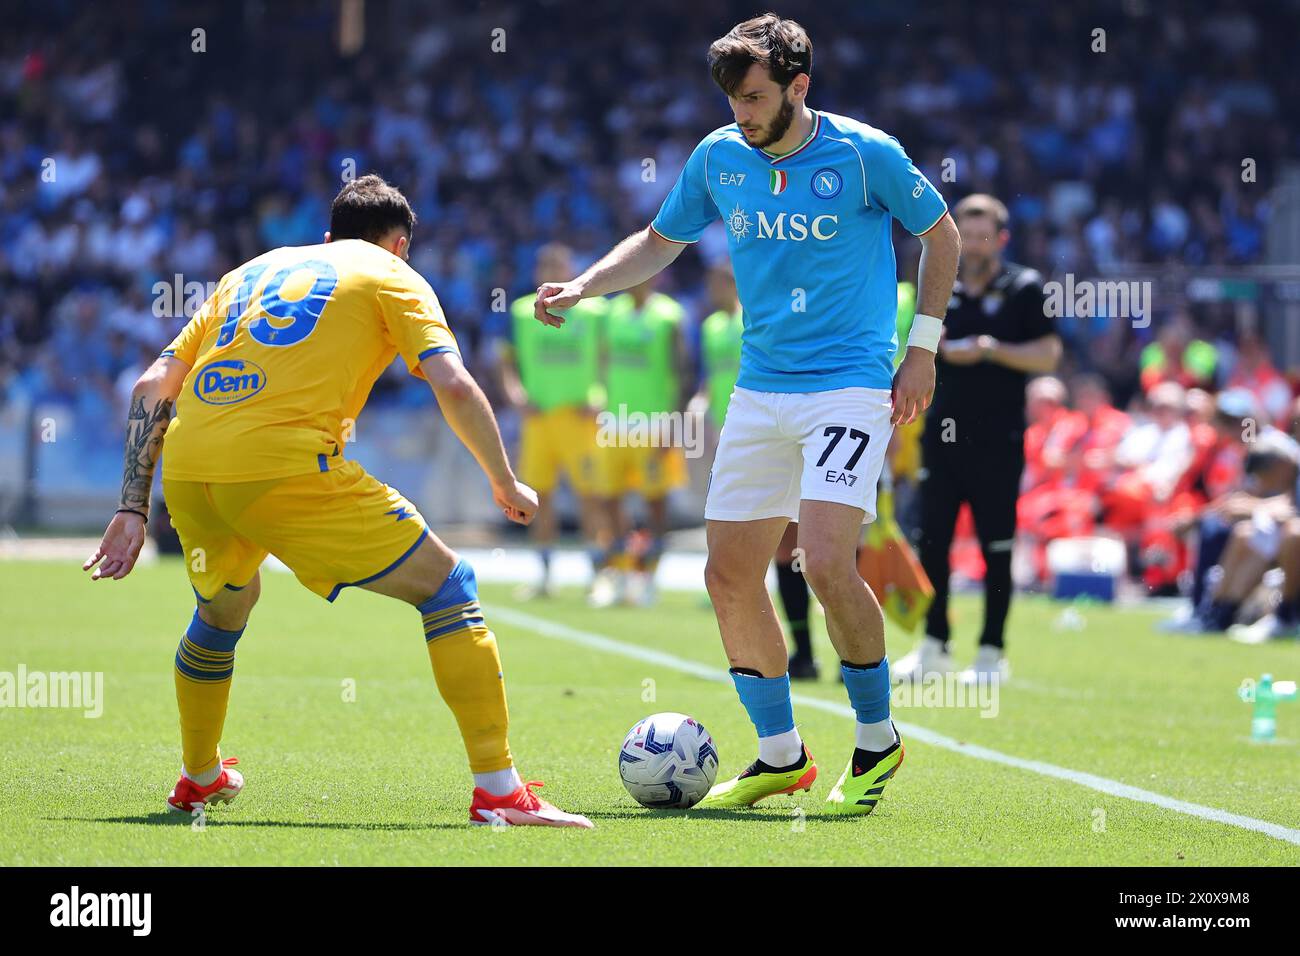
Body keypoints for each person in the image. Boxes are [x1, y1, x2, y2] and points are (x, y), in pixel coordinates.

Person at [534, 14, 960, 815]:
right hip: (760, 389)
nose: (742, 112)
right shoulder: (718, 156)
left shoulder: (865, 152)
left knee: (827, 563)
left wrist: (923, 349)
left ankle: (878, 740)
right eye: (733, 97)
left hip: (849, 384)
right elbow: (660, 241)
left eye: (756, 96)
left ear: (799, 86)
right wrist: (585, 285)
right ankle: (780, 756)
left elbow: (942, 234)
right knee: (728, 574)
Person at [82, 175, 592, 829]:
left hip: (191, 468)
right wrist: (502, 478)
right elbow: (455, 384)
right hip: (284, 466)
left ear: (328, 238)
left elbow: (154, 382)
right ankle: (499, 791)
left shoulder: (254, 271)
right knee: (448, 586)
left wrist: (132, 506)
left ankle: (199, 776)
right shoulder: (392, 274)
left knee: (223, 608)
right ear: (400, 244)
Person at [905, 193, 1060, 686]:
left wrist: (992, 351)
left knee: (997, 546)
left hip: (998, 439)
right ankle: (934, 645)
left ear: (1001, 238)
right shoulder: (936, 284)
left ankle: (992, 652)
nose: (972, 245)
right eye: (965, 235)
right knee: (933, 543)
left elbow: (1048, 356)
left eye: (981, 235)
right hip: (941, 435)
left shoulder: (1024, 287)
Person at [496, 243, 607, 598]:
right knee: (537, 497)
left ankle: (598, 575)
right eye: (544, 265)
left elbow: (607, 357)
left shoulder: (593, 311)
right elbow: (505, 360)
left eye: (558, 264)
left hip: (579, 417)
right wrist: (515, 394)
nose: (551, 271)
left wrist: (600, 394)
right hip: (539, 420)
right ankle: (545, 575)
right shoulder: (519, 310)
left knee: (591, 497)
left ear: (571, 267)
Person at [586, 277, 692, 607]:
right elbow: (602, 363)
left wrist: (675, 423)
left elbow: (684, 373)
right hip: (614, 422)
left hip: (653, 422)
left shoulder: (669, 315)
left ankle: (647, 576)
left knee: (654, 503)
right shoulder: (610, 313)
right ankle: (616, 573)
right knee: (608, 499)